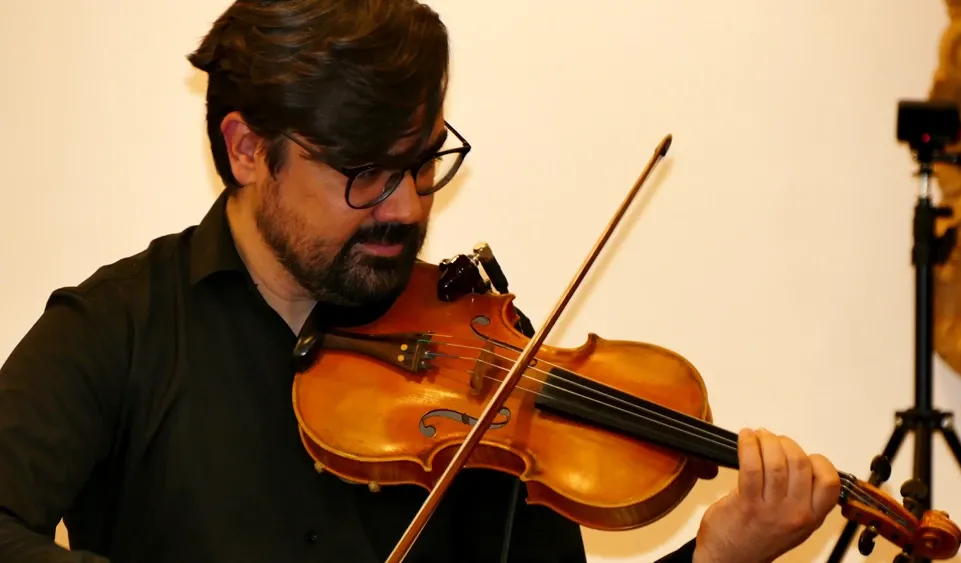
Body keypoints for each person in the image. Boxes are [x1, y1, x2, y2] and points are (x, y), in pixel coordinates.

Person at [0, 1, 843, 562]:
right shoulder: (117, 328)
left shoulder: (488, 362)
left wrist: (719, 556)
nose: (406, 206)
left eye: (425, 160)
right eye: (365, 172)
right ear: (249, 149)